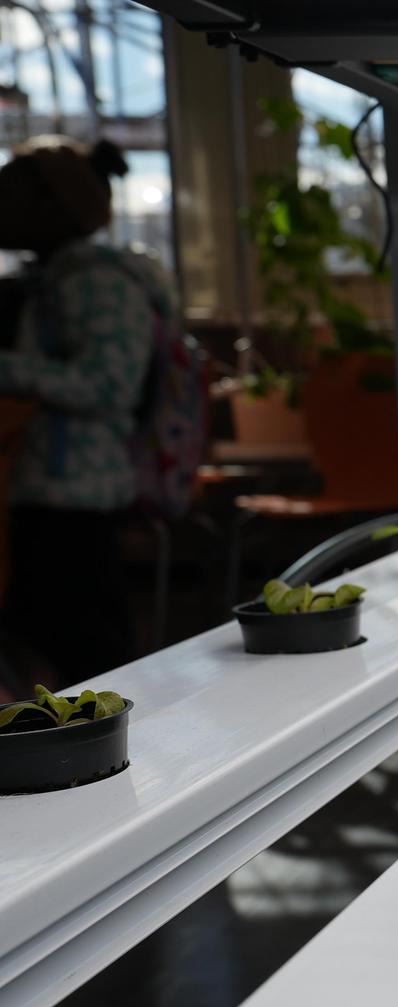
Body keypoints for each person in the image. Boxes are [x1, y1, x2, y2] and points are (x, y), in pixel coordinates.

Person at [0, 136, 172, 686]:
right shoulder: (54, 279)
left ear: (52, 207)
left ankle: (118, 753)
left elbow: (108, 384)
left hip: (80, 489)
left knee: (86, 641)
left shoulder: (97, 282)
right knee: (57, 631)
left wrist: (9, 371)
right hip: (47, 486)